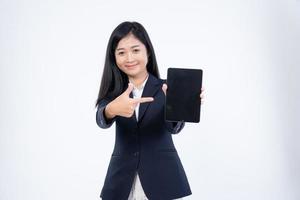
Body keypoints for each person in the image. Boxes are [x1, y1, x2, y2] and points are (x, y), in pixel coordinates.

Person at [95, 21, 204, 200]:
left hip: (161, 179)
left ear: (148, 52)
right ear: (114, 57)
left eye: (136, 50)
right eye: (121, 52)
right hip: (122, 181)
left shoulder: (166, 88)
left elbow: (174, 128)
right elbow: (101, 117)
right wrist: (111, 109)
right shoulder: (114, 92)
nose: (129, 58)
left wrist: (181, 106)